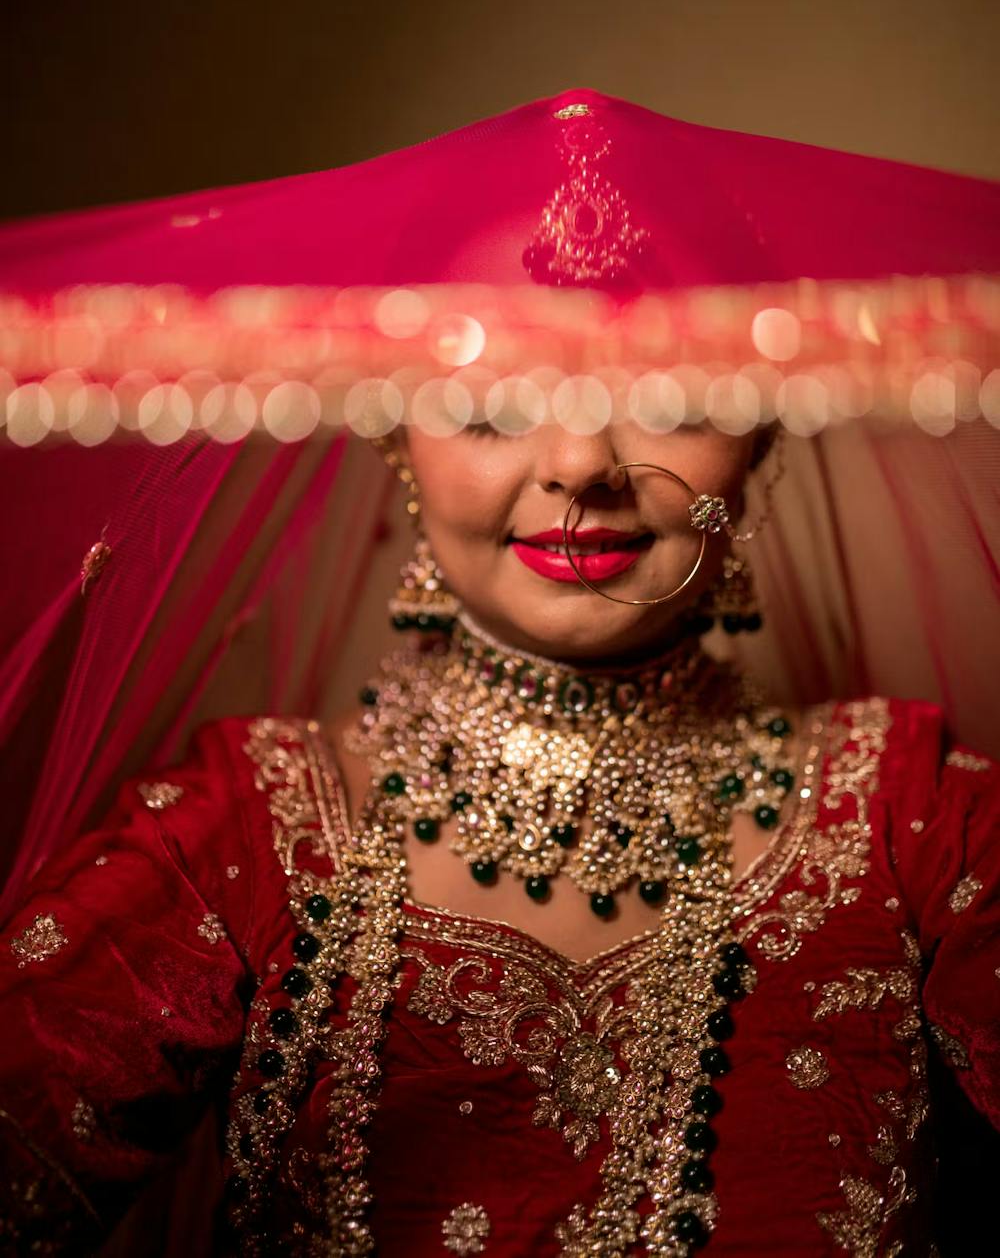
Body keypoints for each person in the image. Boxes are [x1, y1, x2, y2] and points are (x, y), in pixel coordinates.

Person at [0, 89, 998, 1255]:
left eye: (667, 395)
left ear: (764, 430)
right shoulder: (238, 838)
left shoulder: (916, 823)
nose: (580, 464)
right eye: (492, 402)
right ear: (394, 432)